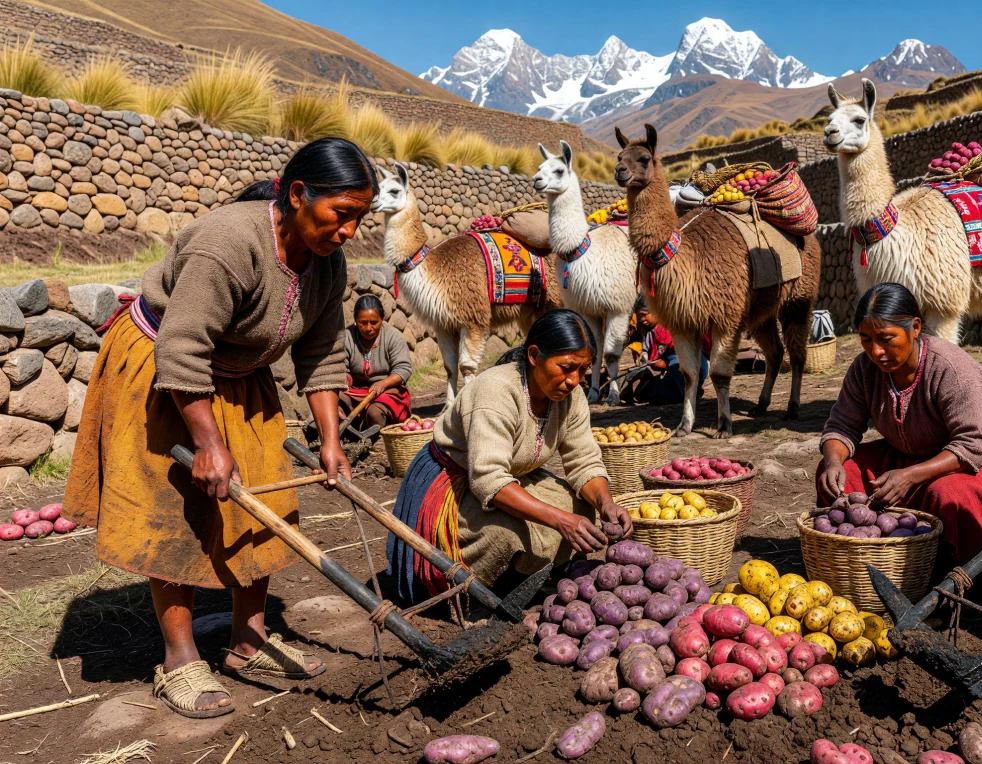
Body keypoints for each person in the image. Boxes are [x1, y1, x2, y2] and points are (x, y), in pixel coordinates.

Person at [64, 137, 379, 718]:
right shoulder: (229, 244)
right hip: (163, 366)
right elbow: (182, 350)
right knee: (176, 508)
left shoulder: (328, 264)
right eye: (343, 214)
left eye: (361, 218)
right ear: (299, 194)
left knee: (266, 500)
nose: (350, 232)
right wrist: (208, 444)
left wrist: (331, 442)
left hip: (240, 374)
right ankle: (180, 660)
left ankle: (248, 642)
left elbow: (321, 354)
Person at [388, 309, 633, 604]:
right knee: (508, 535)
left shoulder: (572, 397)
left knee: (582, 507)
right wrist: (560, 520)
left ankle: (530, 576)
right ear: (533, 356)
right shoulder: (496, 392)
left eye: (583, 370)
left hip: (510, 476)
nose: (573, 380)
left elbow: (583, 459)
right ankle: (481, 591)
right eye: (566, 367)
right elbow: (488, 479)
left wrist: (606, 503)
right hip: (457, 482)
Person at [815, 283, 982, 570]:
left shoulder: (952, 369)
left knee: (948, 495)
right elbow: (841, 426)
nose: (876, 351)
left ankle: (962, 571)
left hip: (970, 463)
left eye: (886, 338)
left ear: (915, 328)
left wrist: (910, 476)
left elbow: (972, 446)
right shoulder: (865, 369)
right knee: (841, 474)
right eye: (866, 339)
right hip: (905, 457)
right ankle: (855, 560)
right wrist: (833, 461)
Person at [340, 294, 414, 431]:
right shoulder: (348, 337)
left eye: (374, 322)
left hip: (388, 391)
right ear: (356, 320)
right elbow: (342, 367)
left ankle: (377, 439)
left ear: (382, 319)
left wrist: (383, 383)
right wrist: (345, 381)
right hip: (356, 391)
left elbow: (403, 369)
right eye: (362, 323)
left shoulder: (393, 336)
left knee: (374, 413)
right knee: (335, 400)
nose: (368, 328)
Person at [621, 296, 708, 406]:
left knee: (660, 395)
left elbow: (678, 353)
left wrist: (662, 363)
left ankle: (652, 388)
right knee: (665, 390)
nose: (642, 319)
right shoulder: (649, 333)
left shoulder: (670, 325)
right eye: (639, 317)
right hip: (678, 365)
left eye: (644, 314)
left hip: (690, 363)